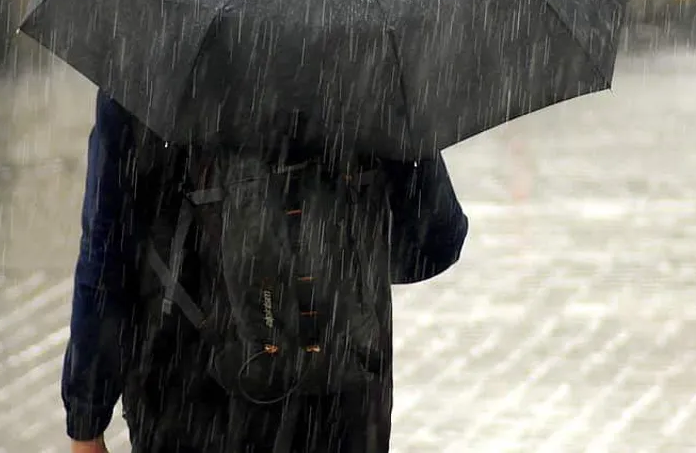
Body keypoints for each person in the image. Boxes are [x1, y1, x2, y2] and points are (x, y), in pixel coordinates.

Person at [63, 90, 470, 452]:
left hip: (187, 392)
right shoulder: (368, 52)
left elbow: (107, 250)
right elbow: (437, 239)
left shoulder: (152, 54)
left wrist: (87, 413)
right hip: (340, 387)